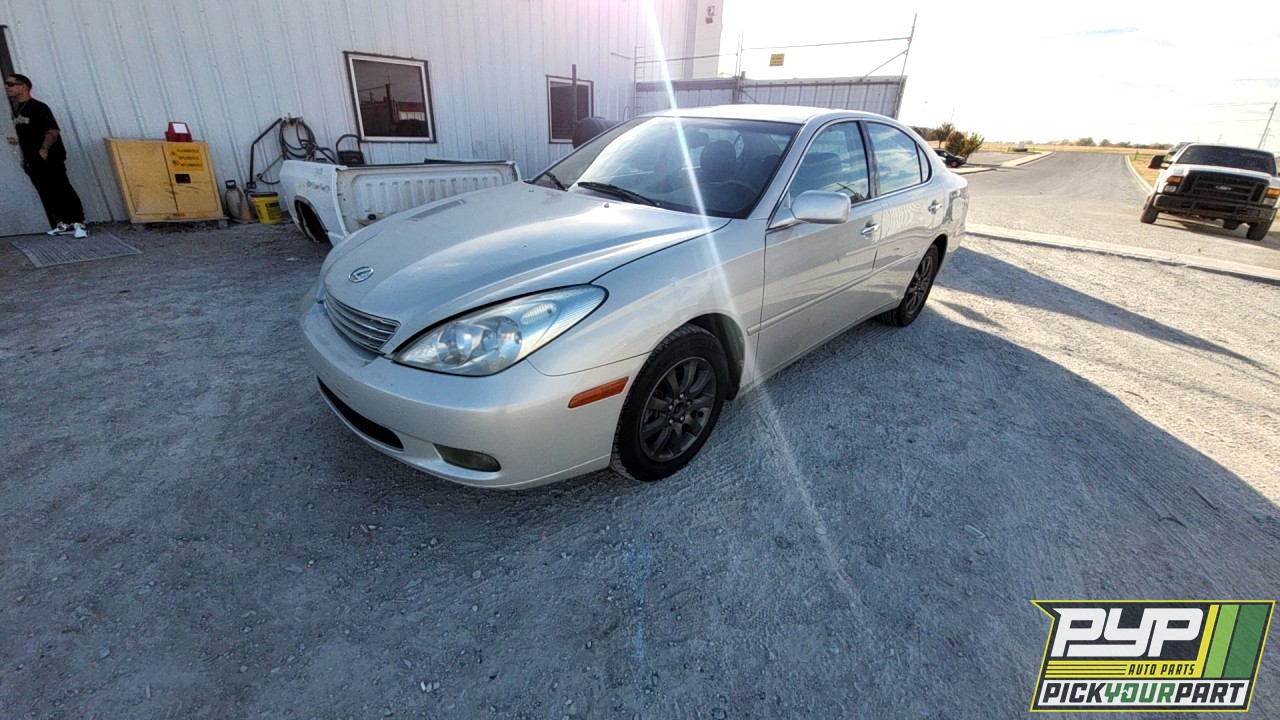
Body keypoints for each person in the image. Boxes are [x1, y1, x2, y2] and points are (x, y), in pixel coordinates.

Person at [5, 73, 88, 238]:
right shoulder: (17, 109)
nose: (7, 88)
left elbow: (53, 131)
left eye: (11, 84)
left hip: (49, 157)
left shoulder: (38, 107)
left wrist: (44, 150)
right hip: (32, 159)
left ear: (24, 86)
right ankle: (65, 222)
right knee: (46, 191)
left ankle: (79, 222)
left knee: (61, 188)